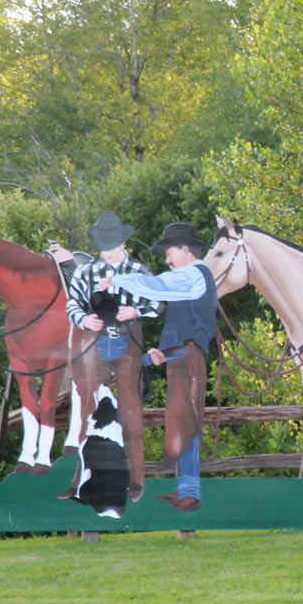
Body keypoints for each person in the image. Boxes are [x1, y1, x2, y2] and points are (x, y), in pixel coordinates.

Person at [103, 223, 217, 512]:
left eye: (169, 253)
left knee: (186, 421)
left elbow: (159, 286)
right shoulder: (190, 279)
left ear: (185, 249)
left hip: (188, 359)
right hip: (180, 357)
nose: (167, 260)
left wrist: (118, 280)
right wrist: (163, 354)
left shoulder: (195, 275)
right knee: (182, 421)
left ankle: (189, 493)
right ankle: (186, 489)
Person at [61, 211, 162, 501]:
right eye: (103, 244)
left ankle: (136, 480)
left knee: (130, 408)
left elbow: (157, 305)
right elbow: (72, 304)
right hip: (95, 341)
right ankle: (82, 480)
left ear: (122, 241)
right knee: (89, 409)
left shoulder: (139, 271)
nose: (107, 250)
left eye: (111, 244)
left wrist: (136, 311)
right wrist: (83, 319)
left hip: (129, 340)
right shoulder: (86, 272)